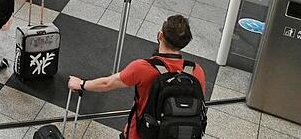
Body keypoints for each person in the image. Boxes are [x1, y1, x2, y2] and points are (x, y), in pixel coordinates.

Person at [67, 15, 206, 139]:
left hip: (142, 134)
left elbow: (107, 84)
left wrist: (81, 84)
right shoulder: (195, 70)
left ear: (160, 36)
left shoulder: (143, 67)